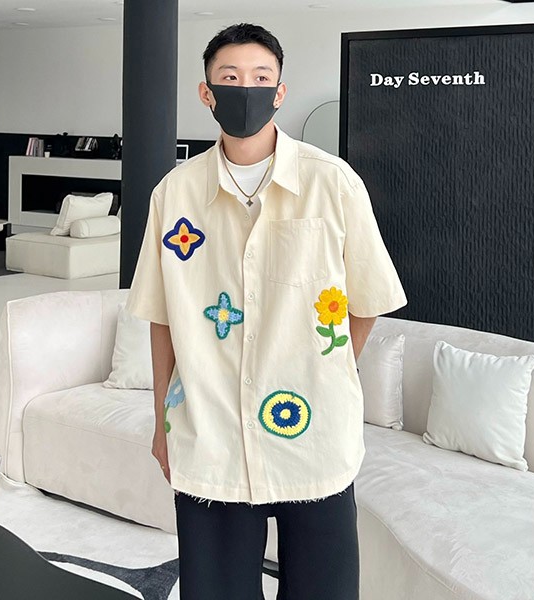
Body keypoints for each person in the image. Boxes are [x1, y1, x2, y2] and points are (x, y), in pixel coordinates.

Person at [126, 23, 407, 600]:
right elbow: (162, 317)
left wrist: (330, 366)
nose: (245, 90)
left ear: (280, 92)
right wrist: (161, 422)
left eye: (260, 78)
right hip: (210, 435)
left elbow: (368, 301)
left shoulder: (333, 184)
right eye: (229, 78)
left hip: (314, 434)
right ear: (206, 92)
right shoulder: (174, 195)